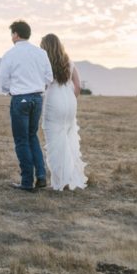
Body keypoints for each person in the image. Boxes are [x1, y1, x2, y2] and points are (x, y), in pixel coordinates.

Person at [0, 20, 53, 192]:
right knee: (32, 136)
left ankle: (27, 181)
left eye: (11, 34)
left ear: (15, 34)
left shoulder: (10, 54)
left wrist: (10, 91)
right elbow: (48, 78)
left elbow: (4, 79)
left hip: (20, 98)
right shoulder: (41, 53)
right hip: (37, 98)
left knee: (21, 141)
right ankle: (42, 176)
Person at [39, 34, 87, 190]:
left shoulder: (45, 63)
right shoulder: (69, 62)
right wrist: (70, 99)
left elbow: (42, 85)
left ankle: (60, 182)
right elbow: (78, 86)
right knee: (69, 139)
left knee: (55, 143)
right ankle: (73, 177)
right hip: (70, 102)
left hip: (54, 102)